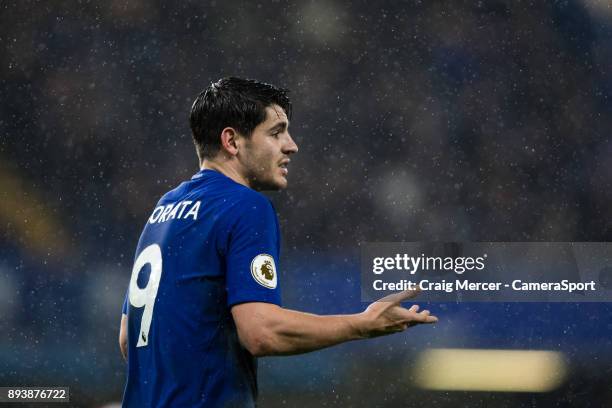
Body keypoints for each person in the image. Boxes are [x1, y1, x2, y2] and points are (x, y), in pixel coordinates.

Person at [119, 77, 438, 407]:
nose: (291, 145)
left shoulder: (164, 209)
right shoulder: (245, 206)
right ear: (232, 140)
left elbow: (129, 339)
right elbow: (260, 332)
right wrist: (361, 325)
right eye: (276, 132)